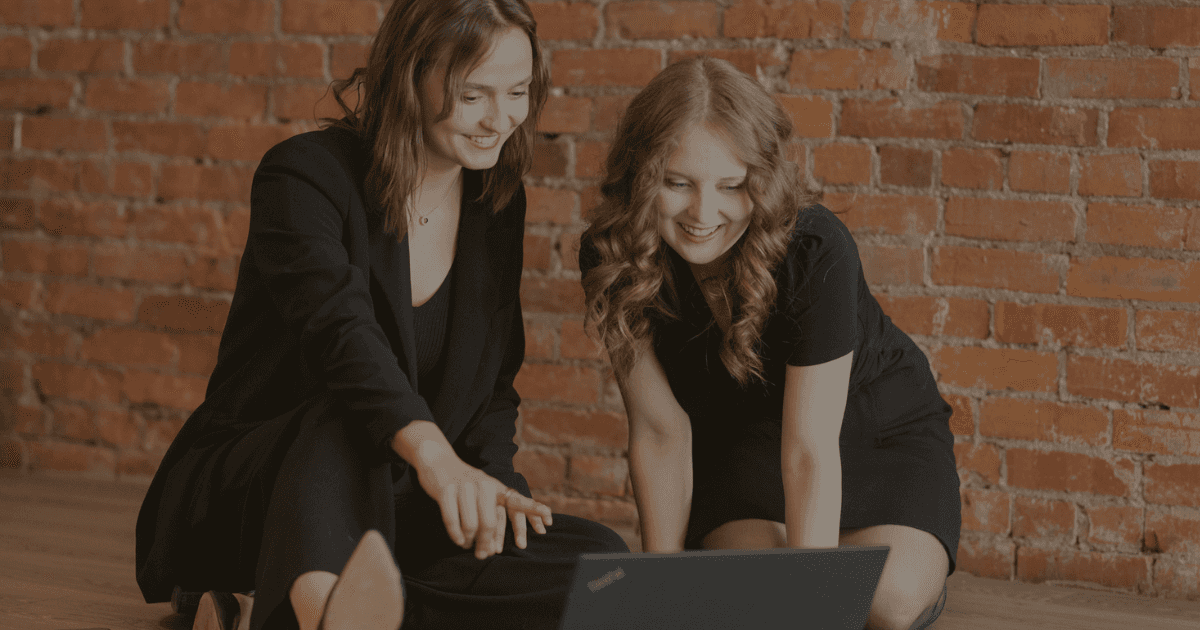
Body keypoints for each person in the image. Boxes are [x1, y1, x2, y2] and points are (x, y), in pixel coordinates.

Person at [134, 1, 628, 629]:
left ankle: (282, 608)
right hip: (266, 485)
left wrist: (490, 490)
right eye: (473, 94)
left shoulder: (494, 201)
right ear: (409, 76)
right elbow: (340, 341)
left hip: (402, 497)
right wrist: (439, 461)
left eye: (518, 92)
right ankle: (310, 604)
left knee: (601, 566)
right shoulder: (304, 175)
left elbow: (494, 379)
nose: (500, 119)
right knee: (344, 420)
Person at [578, 56, 961, 630]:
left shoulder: (816, 247)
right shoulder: (612, 256)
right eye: (677, 183)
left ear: (761, 180)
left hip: (873, 432)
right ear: (641, 176)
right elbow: (660, 430)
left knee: (882, 603)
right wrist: (661, 594)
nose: (704, 214)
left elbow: (810, 449)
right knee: (744, 594)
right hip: (746, 450)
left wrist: (813, 611)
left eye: (731, 186)